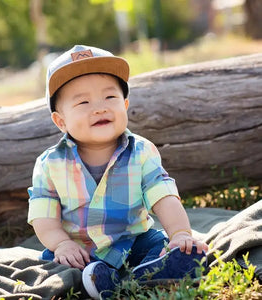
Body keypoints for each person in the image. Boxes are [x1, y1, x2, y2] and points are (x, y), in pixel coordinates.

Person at [27, 45, 209, 299]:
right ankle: (102, 277)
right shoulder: (50, 164)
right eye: (83, 102)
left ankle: (146, 272)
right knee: (56, 265)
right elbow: (43, 216)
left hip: (133, 241)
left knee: (160, 244)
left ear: (124, 105)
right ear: (61, 121)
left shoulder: (142, 152)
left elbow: (163, 195)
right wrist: (61, 244)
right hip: (80, 250)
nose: (100, 108)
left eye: (110, 98)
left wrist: (180, 233)